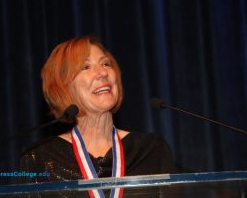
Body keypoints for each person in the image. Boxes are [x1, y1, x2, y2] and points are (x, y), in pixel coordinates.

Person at [20, 35, 175, 197]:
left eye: (106, 64)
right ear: (63, 86)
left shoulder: (150, 150)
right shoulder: (39, 158)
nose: (102, 73)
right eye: (85, 67)